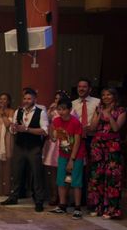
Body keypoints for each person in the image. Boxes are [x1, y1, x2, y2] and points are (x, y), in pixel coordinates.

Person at [0, 88, 49, 212]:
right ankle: (13, 197)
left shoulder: (41, 112)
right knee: (16, 173)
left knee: (36, 174)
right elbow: (13, 128)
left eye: (29, 99)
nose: (26, 101)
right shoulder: (19, 111)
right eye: (25, 98)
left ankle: (39, 201)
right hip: (20, 146)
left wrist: (27, 129)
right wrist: (14, 128)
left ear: (34, 100)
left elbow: (44, 131)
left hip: (34, 147)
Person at [88, 88, 125, 219]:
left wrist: (108, 114)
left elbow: (116, 128)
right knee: (96, 176)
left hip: (112, 145)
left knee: (112, 177)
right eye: (103, 95)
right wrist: (99, 114)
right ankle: (96, 207)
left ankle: (111, 210)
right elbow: (92, 127)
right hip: (98, 145)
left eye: (108, 94)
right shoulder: (99, 109)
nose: (105, 97)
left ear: (114, 96)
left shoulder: (121, 110)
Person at [49, 98, 85, 219]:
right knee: (61, 180)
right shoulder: (56, 120)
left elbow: (77, 143)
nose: (61, 112)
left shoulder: (75, 122)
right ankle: (62, 205)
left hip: (76, 155)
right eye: (59, 109)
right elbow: (54, 138)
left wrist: (72, 159)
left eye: (64, 109)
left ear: (70, 110)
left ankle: (77, 208)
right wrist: (51, 129)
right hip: (62, 153)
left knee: (75, 181)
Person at [71, 78, 100, 210]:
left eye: (84, 86)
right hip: (77, 139)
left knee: (93, 170)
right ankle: (80, 199)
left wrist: (91, 128)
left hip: (92, 139)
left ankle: (93, 200)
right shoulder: (73, 103)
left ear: (90, 89)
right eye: (79, 86)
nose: (81, 89)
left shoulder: (97, 102)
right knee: (79, 169)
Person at [43, 91, 70, 206]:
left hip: (66, 141)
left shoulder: (71, 111)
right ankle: (54, 194)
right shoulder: (53, 111)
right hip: (54, 142)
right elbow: (46, 124)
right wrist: (49, 111)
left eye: (59, 98)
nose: (56, 100)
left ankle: (64, 196)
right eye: (55, 98)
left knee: (65, 170)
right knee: (52, 171)